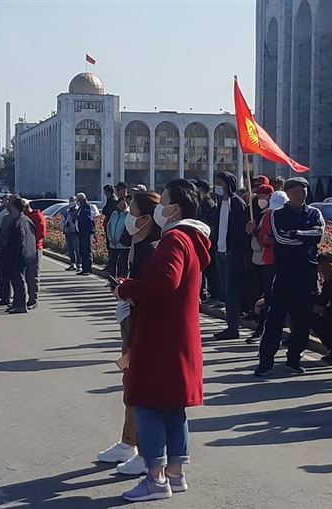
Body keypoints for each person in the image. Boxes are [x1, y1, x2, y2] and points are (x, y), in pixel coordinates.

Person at [113, 179, 210, 502]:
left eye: (163, 202)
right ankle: (175, 474)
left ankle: (155, 478)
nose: (158, 209)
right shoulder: (193, 239)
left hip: (161, 335)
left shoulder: (174, 239)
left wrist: (128, 288)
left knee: (147, 402)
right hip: (179, 333)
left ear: (175, 208)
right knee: (172, 406)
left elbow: (165, 282)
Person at [98, 191, 162, 477]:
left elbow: (152, 289)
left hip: (144, 322)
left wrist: (126, 290)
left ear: (147, 218)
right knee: (129, 382)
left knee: (140, 387)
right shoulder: (136, 241)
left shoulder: (155, 248)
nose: (128, 218)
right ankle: (128, 442)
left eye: (132, 213)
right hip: (131, 318)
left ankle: (146, 451)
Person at [255, 177, 324, 377]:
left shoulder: (314, 212)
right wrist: (303, 236)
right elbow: (280, 237)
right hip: (284, 273)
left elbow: (318, 234)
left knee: (302, 320)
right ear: (288, 194)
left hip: (307, 273)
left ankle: (294, 358)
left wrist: (296, 234)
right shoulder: (277, 215)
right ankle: (265, 361)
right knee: (274, 318)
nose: (299, 195)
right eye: (295, 191)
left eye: (302, 191)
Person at [211, 171, 247, 340]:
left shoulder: (236, 203)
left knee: (231, 292)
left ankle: (233, 328)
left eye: (220, 182)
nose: (218, 186)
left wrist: (234, 248)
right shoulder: (220, 203)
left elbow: (240, 230)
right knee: (225, 292)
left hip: (232, 253)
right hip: (220, 250)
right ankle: (229, 325)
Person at [249, 190, 288, 344]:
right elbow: (262, 239)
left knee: (287, 299)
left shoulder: (290, 217)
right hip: (270, 262)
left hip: (287, 263)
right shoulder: (267, 217)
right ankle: (266, 332)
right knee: (270, 299)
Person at [245, 184, 274, 341]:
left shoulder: (271, 216)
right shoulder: (262, 213)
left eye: (263, 196)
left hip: (269, 261)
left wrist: (255, 230)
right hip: (259, 257)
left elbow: (265, 239)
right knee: (262, 293)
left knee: (268, 296)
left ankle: (263, 329)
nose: (260, 199)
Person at [5, 197, 37, 314]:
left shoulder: (18, 222)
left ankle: (21, 304)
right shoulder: (26, 220)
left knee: (18, 280)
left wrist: (12, 253)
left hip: (20, 255)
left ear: (15, 208)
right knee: (18, 279)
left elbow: (18, 240)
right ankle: (17, 303)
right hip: (29, 254)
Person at [196, 180, 218, 303]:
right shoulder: (201, 203)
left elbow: (208, 223)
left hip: (208, 240)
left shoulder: (208, 204)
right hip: (203, 240)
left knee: (210, 270)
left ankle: (212, 294)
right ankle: (207, 293)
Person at [22, 199, 46, 310]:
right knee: (26, 276)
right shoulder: (24, 217)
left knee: (33, 275)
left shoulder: (37, 217)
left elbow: (41, 234)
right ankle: (25, 299)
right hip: (25, 248)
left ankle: (33, 300)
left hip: (35, 248)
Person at [0, 197, 13, 306]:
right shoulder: (3, 214)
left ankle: (9, 296)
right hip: (0, 247)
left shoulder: (13, 217)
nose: (6, 202)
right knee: (2, 273)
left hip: (7, 249)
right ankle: (4, 294)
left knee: (10, 274)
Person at [106, 197, 130, 279]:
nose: (123, 205)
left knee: (123, 263)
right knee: (113, 263)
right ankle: (112, 279)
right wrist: (110, 238)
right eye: (121, 203)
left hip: (123, 244)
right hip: (113, 244)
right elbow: (108, 227)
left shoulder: (128, 214)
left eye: (125, 203)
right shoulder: (114, 214)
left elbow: (127, 230)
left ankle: (123, 279)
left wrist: (119, 240)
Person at [76, 193, 95, 276]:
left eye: (78, 200)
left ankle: (88, 269)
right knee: (82, 250)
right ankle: (84, 268)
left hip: (86, 232)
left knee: (87, 250)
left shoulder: (87, 207)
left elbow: (87, 220)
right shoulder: (81, 208)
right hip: (81, 232)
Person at [63, 196, 80, 271]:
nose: (71, 202)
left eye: (72, 200)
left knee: (76, 248)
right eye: (70, 200)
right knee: (70, 248)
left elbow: (76, 220)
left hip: (75, 232)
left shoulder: (78, 210)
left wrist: (73, 213)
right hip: (68, 231)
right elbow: (65, 220)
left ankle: (79, 264)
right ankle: (72, 263)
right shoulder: (67, 210)